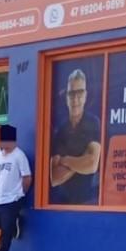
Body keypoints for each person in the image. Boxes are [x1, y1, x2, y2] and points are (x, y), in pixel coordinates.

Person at [50, 69, 102, 204]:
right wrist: (81, 158)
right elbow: (54, 177)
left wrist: (65, 160)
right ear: (66, 97)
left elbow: (92, 164)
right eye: (72, 93)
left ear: (85, 96)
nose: (76, 99)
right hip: (61, 203)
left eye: (80, 93)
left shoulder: (93, 122)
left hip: (88, 202)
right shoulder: (60, 129)